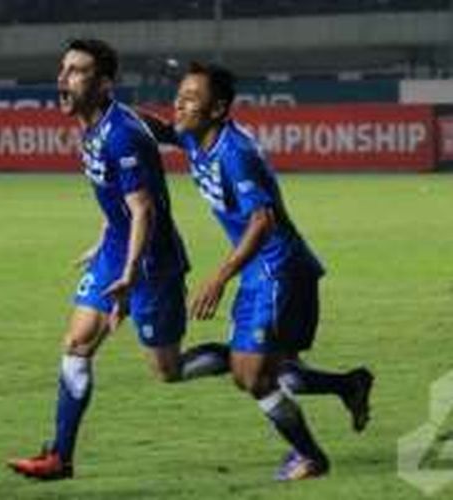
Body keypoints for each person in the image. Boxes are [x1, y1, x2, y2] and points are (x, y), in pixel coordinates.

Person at [7, 39, 229, 481]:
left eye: (77, 70)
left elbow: (144, 209)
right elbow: (122, 205)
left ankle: (252, 358)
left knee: (168, 370)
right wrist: (104, 239)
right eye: (63, 68)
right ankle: (59, 457)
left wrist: (128, 275)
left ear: (104, 83)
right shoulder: (97, 125)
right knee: (77, 344)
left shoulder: (121, 135)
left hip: (149, 263)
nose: (63, 78)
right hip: (118, 250)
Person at [140, 62, 374, 481]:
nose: (179, 103)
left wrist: (219, 276)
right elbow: (160, 128)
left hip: (277, 271)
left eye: (191, 98)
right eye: (179, 94)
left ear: (218, 109)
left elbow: (262, 221)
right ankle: (349, 386)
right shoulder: (196, 138)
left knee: (253, 375)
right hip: (264, 272)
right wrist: (108, 109)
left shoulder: (236, 154)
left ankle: (312, 458)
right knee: (282, 375)